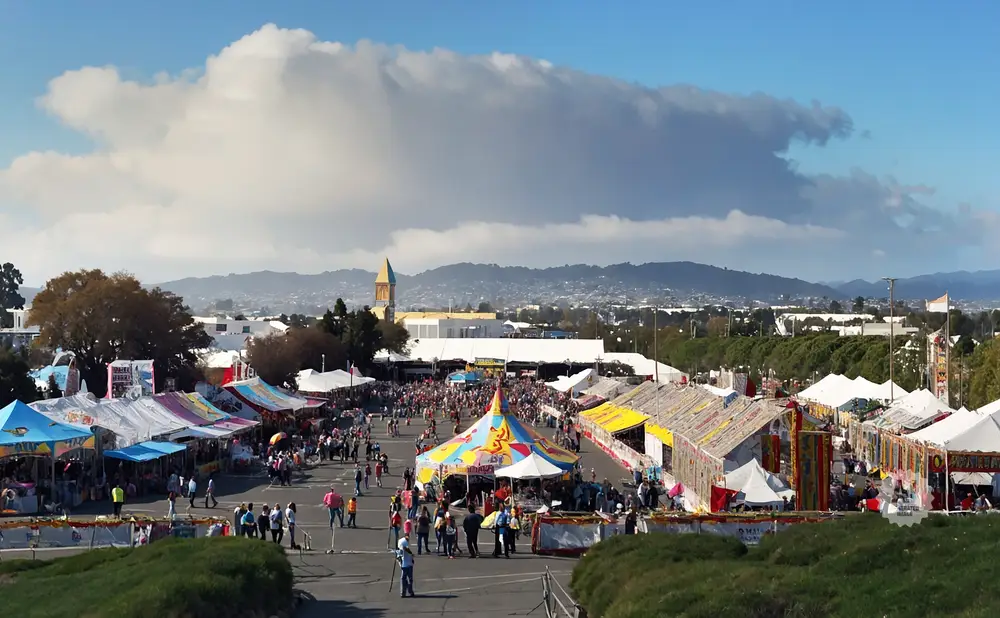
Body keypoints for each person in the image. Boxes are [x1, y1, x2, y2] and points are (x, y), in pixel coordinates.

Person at [397, 532, 415, 598]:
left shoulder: (403, 543)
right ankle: (405, 592)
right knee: (406, 578)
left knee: (406, 579)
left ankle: (407, 592)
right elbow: (404, 549)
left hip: (407, 564)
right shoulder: (403, 544)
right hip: (406, 564)